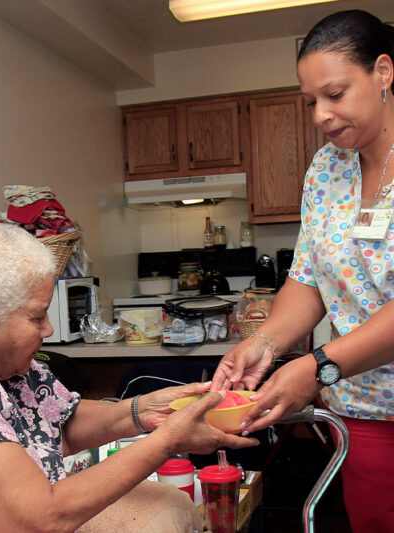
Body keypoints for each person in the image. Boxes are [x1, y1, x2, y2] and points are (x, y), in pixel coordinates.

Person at [211, 10, 394, 533]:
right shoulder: (327, 168)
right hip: (359, 412)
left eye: (335, 94)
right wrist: (265, 344)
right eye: (312, 101)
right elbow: (309, 276)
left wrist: (317, 367)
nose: (321, 114)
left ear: (383, 71)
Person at [0, 222, 259, 533]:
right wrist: (168, 440)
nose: (49, 330)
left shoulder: (21, 370)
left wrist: (146, 411)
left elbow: (61, 427)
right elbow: (42, 518)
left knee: (168, 502)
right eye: (37, 316)